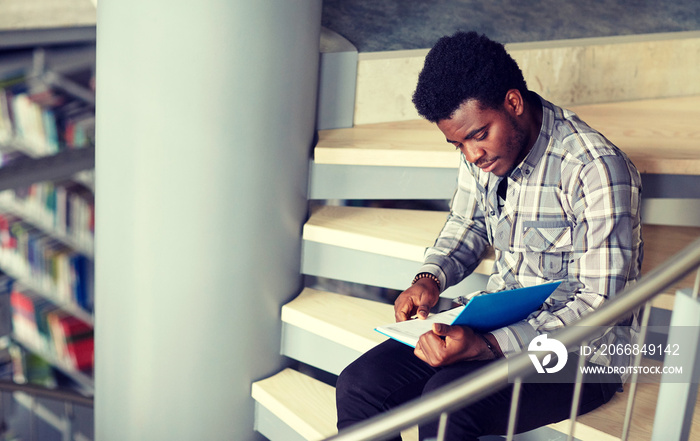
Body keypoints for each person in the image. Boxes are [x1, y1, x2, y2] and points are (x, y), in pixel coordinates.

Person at [335, 31, 643, 441]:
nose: (472, 156)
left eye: (478, 135)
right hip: (493, 320)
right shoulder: (482, 151)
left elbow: (601, 305)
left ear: (513, 103)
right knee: (358, 387)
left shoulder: (594, 168)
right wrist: (429, 279)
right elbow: (469, 223)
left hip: (584, 355)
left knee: (447, 405)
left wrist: (490, 347)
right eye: (457, 144)